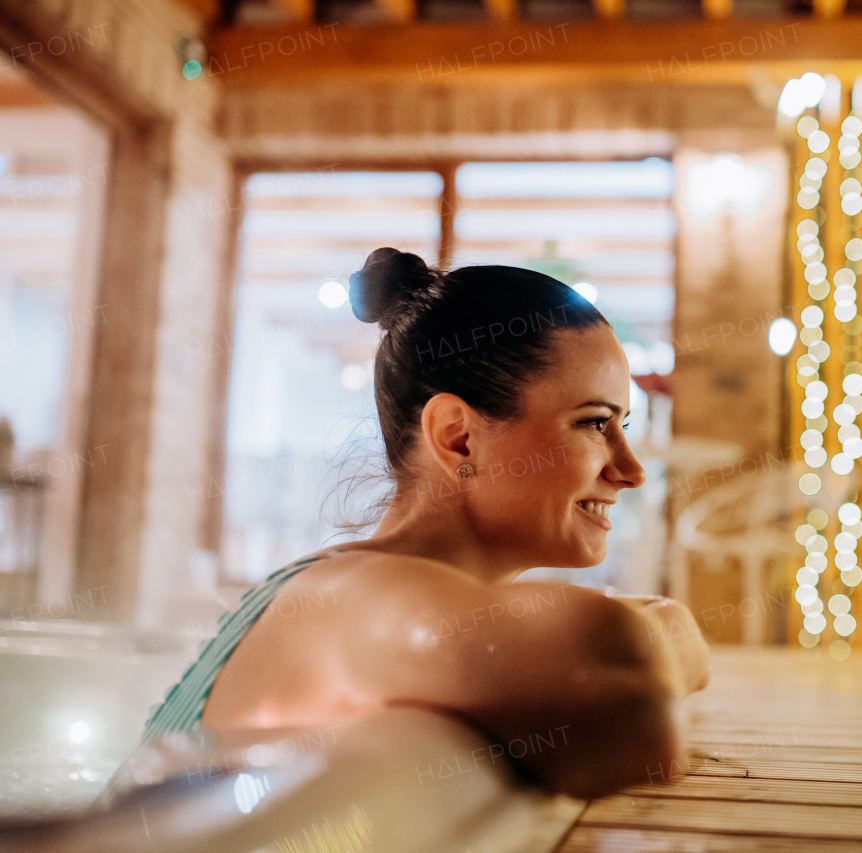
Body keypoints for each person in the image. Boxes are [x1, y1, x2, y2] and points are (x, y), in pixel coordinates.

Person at [139, 248, 711, 800]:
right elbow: (629, 705)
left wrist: (662, 631)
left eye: (623, 425)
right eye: (593, 423)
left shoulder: (359, 586)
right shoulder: (355, 595)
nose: (632, 470)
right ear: (456, 436)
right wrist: (666, 632)